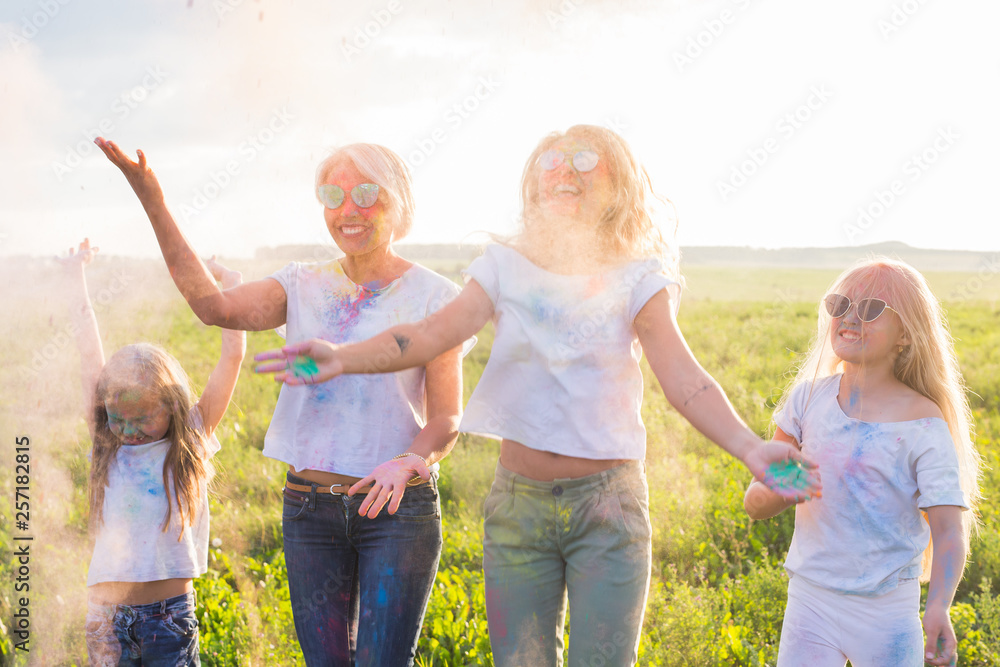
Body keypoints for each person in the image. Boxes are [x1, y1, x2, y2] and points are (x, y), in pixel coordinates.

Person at [254, 124, 821, 667]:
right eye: (549, 162)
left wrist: (751, 448)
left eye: (581, 161)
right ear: (533, 185)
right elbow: (427, 335)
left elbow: (684, 378)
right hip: (517, 507)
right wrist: (342, 355)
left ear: (617, 186)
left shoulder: (637, 277)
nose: (562, 171)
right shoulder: (504, 267)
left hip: (608, 506)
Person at [95, 138, 466, 666]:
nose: (348, 209)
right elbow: (212, 305)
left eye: (366, 193)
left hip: (396, 513)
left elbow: (448, 417)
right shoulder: (301, 283)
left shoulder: (437, 297)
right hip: (309, 509)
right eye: (332, 195)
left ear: (398, 203)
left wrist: (411, 460)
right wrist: (152, 197)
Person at [743, 258, 982, 667]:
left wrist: (939, 607)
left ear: (905, 334)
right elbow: (754, 501)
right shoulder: (807, 398)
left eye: (870, 309)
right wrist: (783, 486)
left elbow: (948, 531)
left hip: (887, 612)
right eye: (839, 305)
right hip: (811, 600)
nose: (849, 318)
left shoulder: (923, 422)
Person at [65, 239, 245, 665]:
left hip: (168, 619)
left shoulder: (191, 439)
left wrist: (231, 288)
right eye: (117, 418)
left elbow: (233, 356)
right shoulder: (106, 446)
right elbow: (89, 353)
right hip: (104, 619)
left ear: (172, 405)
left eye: (142, 418)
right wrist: (76, 276)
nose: (128, 431)